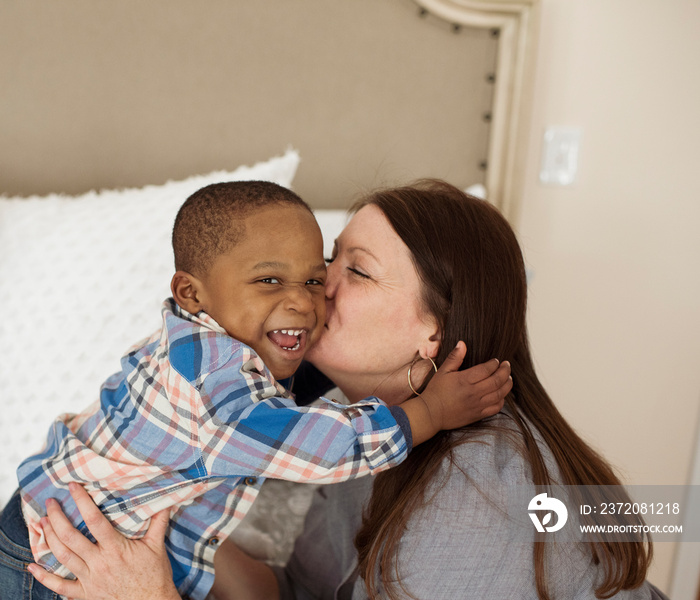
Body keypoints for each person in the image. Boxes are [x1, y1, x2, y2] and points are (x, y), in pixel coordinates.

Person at [25, 180, 667, 600]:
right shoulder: (347, 425)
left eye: (355, 271)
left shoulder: (480, 492)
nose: (316, 286)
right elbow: (300, 592)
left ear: (434, 332)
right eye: (328, 259)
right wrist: (148, 524)